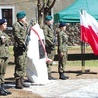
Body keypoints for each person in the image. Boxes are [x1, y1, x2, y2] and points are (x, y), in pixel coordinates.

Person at [13, 11, 30, 89]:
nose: (25, 18)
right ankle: (18, 82)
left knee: (23, 64)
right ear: (20, 18)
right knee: (19, 64)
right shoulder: (16, 25)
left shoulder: (25, 25)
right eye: (24, 17)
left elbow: (27, 34)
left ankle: (22, 80)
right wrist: (22, 43)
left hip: (24, 47)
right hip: (19, 47)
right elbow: (17, 35)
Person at [0, 18, 11, 95]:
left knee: (3, 72)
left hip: (5, 55)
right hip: (0, 56)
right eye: (4, 24)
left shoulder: (4, 34)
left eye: (6, 24)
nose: (6, 26)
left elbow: (9, 41)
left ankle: (2, 87)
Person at [42, 15, 55, 79]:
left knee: (51, 59)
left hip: (51, 46)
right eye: (50, 20)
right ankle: (48, 74)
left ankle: (49, 73)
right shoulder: (45, 27)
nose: (52, 21)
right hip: (48, 46)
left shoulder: (50, 27)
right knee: (48, 61)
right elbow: (45, 37)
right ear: (46, 21)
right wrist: (51, 43)